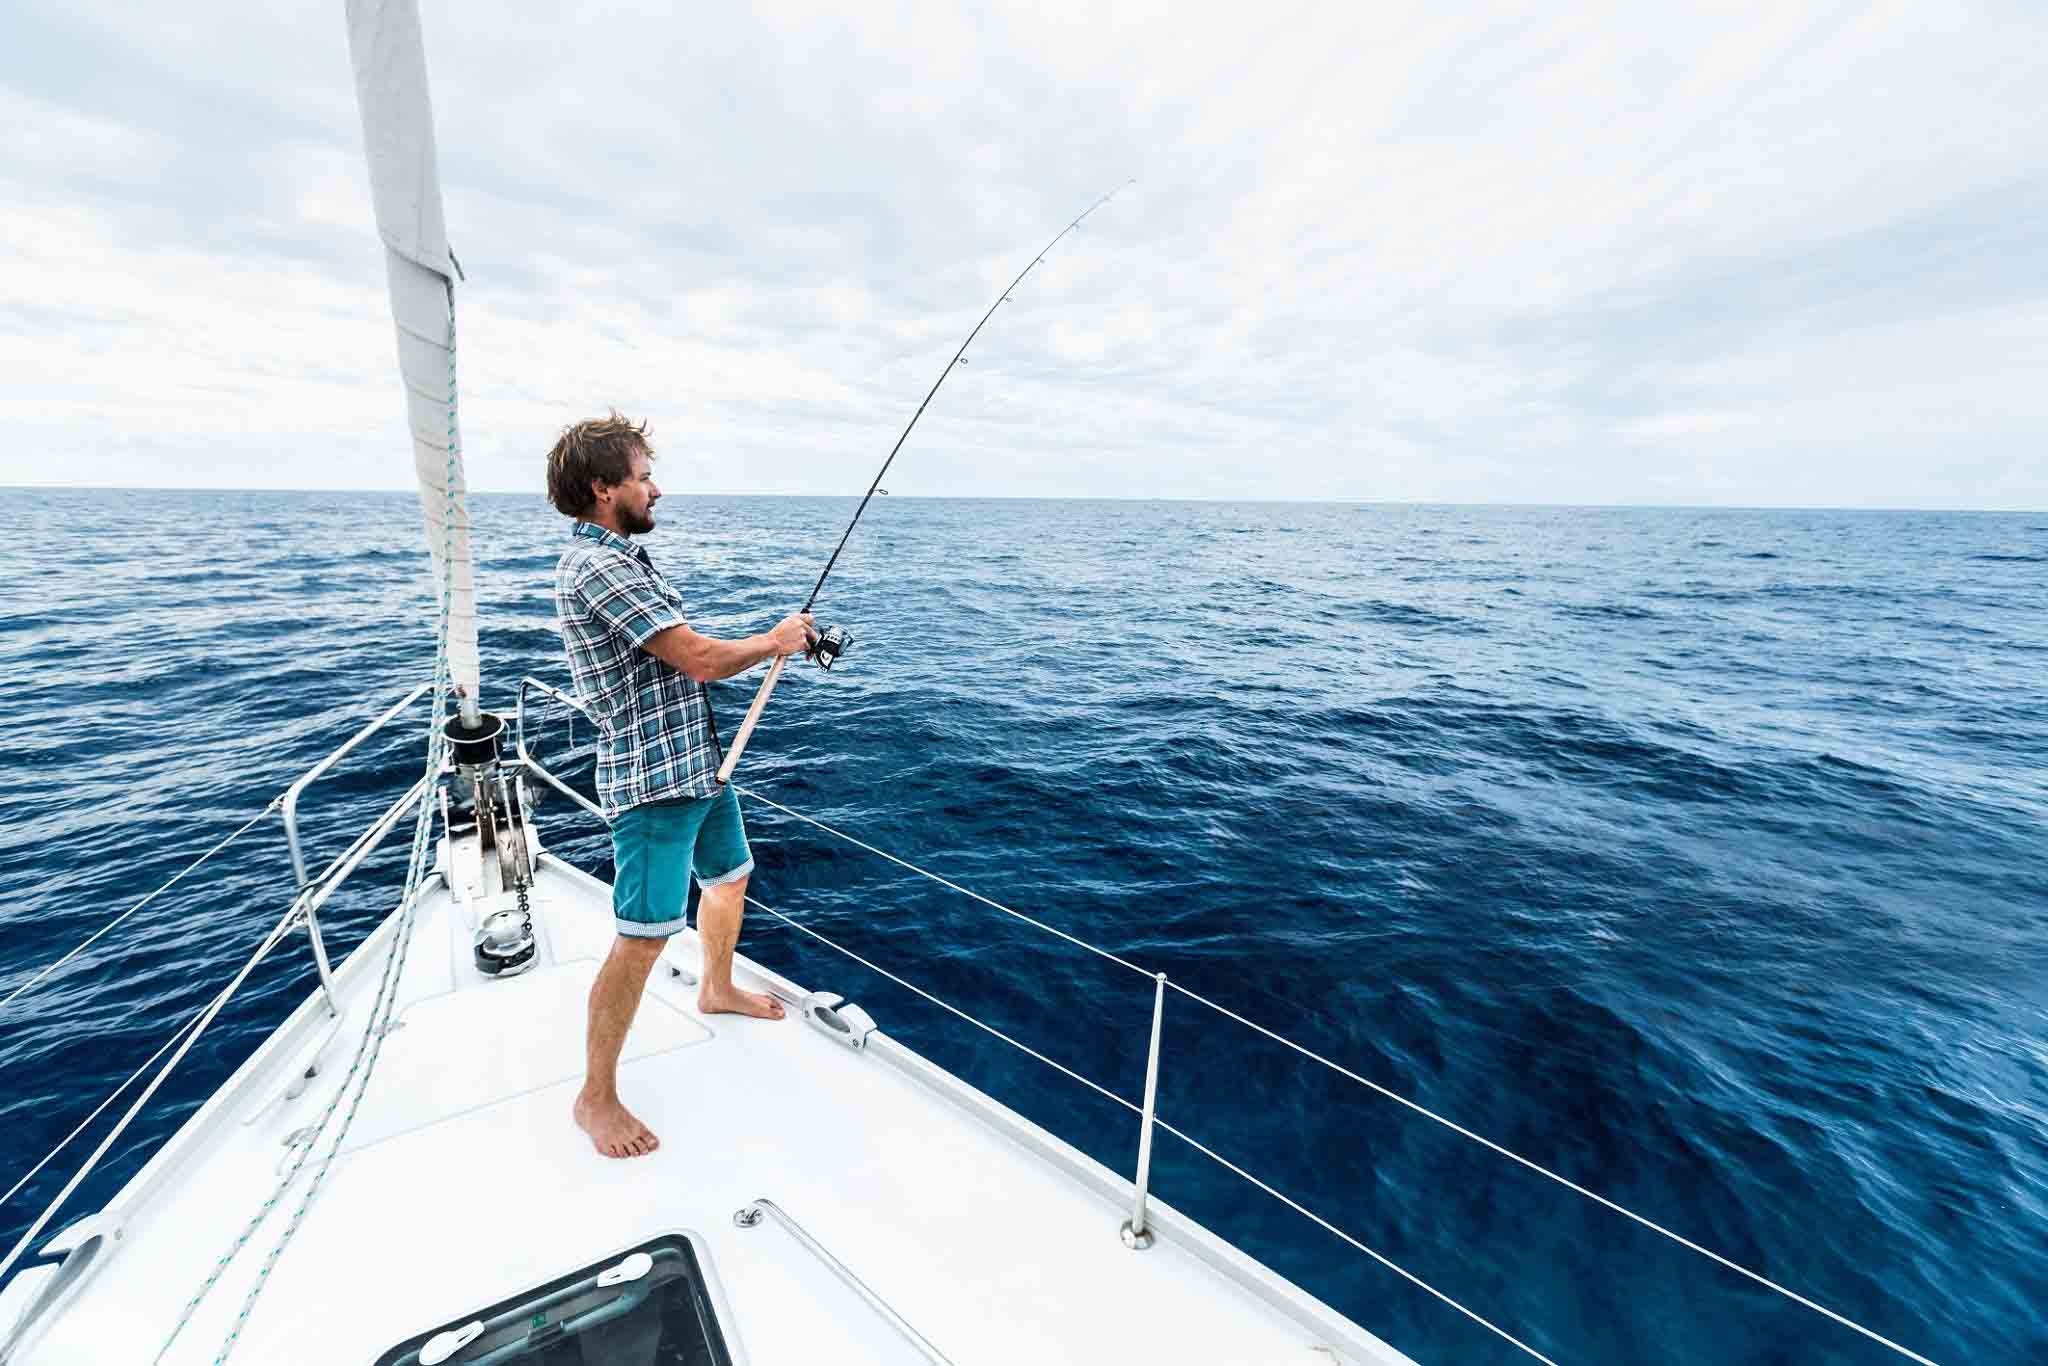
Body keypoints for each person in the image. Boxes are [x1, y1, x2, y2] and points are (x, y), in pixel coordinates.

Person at [546, 412, 814, 1159]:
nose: (655, 489)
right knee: (642, 938)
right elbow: (695, 658)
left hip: (698, 764)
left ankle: (716, 987)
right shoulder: (598, 568)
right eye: (641, 477)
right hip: (654, 783)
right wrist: (775, 640)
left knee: (730, 877)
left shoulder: (622, 558)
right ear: (604, 488)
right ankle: (594, 1097)